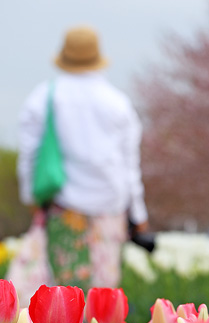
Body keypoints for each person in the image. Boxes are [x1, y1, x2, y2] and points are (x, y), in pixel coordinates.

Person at [16, 25, 149, 290]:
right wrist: (138, 213)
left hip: (64, 208)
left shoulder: (43, 99)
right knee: (102, 298)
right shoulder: (118, 103)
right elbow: (129, 167)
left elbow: (29, 155)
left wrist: (31, 197)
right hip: (110, 208)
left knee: (65, 296)